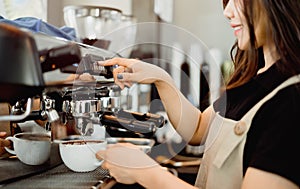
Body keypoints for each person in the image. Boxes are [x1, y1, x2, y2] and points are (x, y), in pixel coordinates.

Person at [95, 0, 300, 188]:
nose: (227, 12)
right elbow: (199, 129)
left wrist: (148, 173)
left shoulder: (291, 101)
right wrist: (161, 79)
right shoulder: (253, 77)